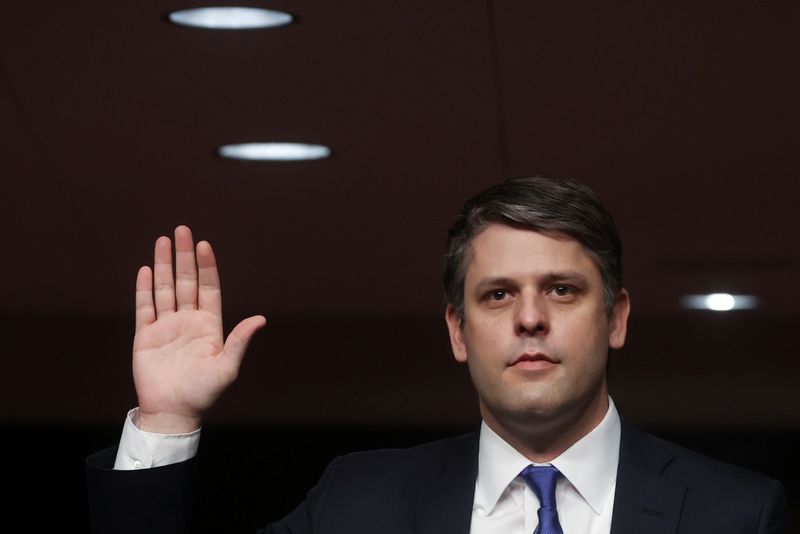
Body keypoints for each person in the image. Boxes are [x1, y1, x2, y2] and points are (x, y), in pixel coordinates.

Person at [87, 176, 790, 533]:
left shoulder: (736, 514)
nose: (531, 319)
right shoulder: (359, 505)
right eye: (496, 296)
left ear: (617, 318)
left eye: (564, 290)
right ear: (457, 331)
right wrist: (167, 419)